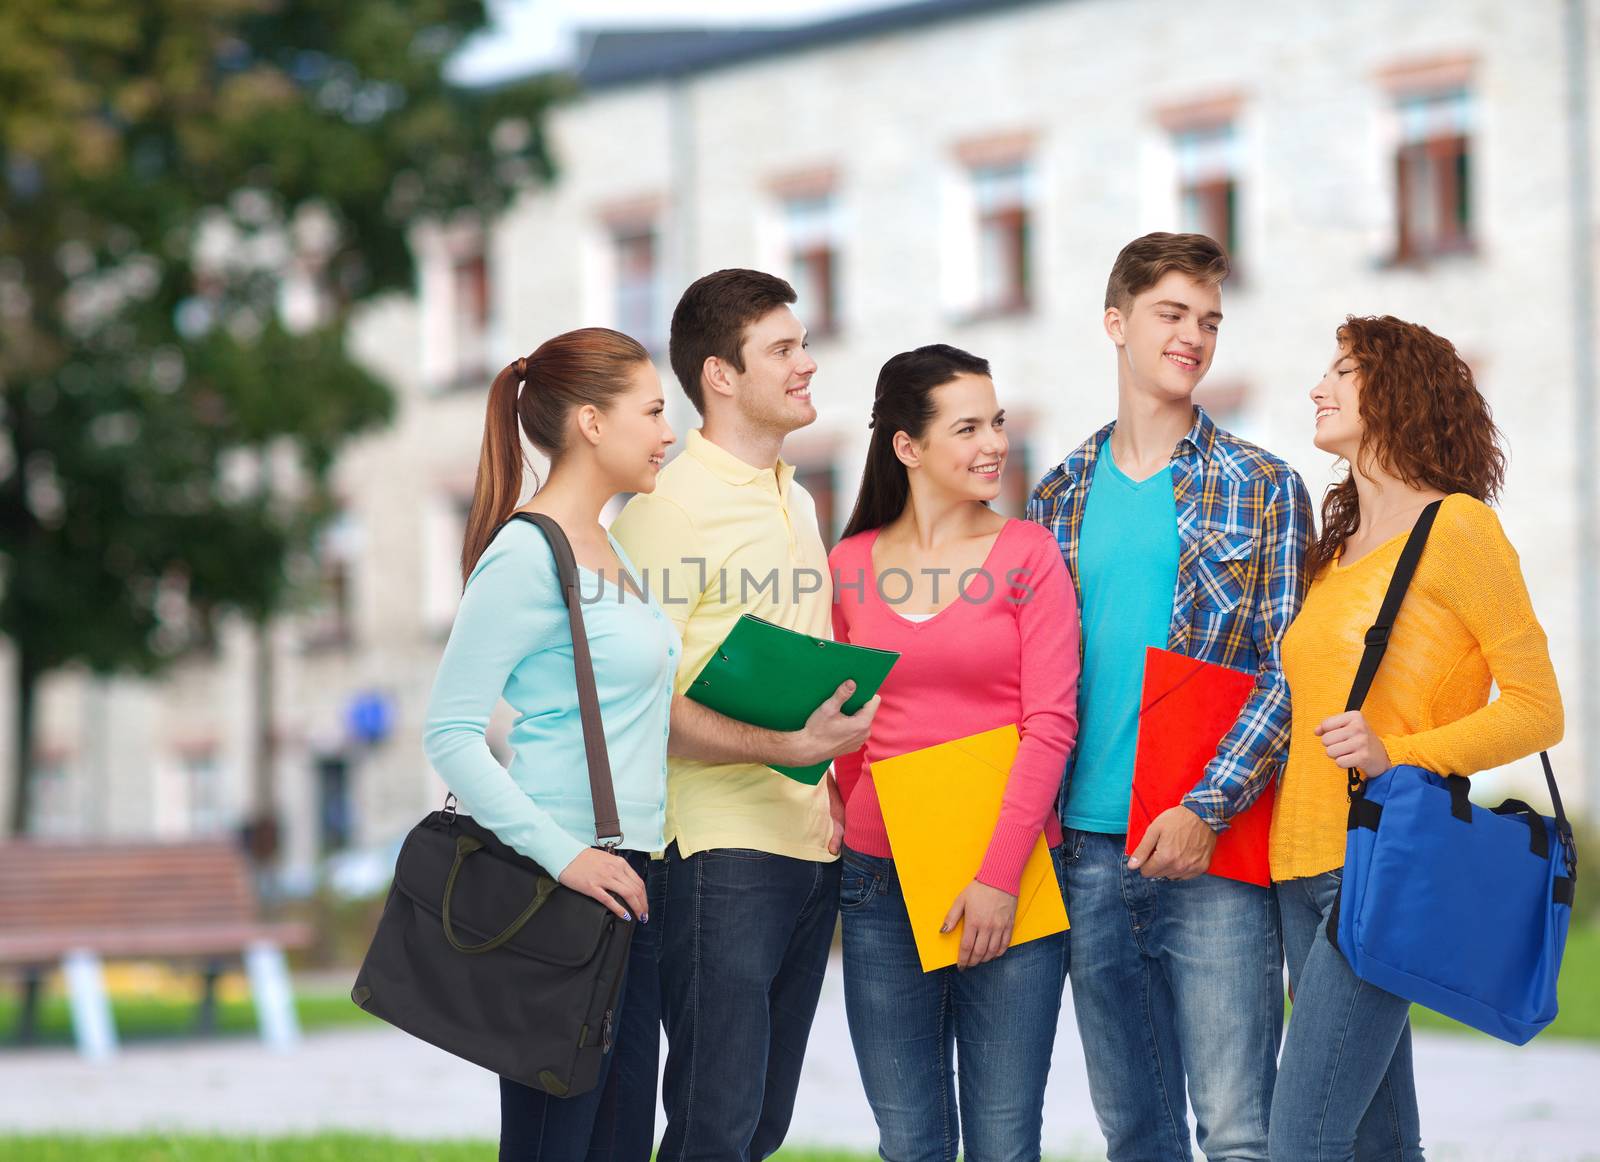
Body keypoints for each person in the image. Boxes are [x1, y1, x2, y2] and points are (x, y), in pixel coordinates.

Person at [1028, 232, 1312, 1161]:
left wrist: (1206, 805)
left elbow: (1289, 670)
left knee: (1239, 1135)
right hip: (1089, 853)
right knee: (1134, 1136)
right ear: (1116, 323)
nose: (1194, 336)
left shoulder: (1263, 486)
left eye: (1210, 321)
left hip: (1215, 853)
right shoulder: (1057, 495)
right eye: (1172, 314)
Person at [1268, 315, 1564, 1160]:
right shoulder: (1333, 553)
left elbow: (1540, 709)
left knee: (1301, 1143)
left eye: (1342, 373)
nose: (1318, 389)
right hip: (1298, 869)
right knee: (1379, 1145)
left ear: (1397, 391)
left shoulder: (1459, 530)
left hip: (1384, 865)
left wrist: (1401, 755)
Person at [609, 269, 878, 1162]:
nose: (807, 363)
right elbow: (636, 704)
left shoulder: (795, 497)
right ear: (721, 375)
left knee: (759, 1125)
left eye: (801, 344)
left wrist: (824, 774)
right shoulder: (665, 508)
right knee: (714, 1126)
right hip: (716, 854)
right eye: (783, 349)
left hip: (806, 842)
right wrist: (787, 744)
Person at [421, 328, 679, 1161]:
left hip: (632, 880)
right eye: (652, 411)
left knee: (615, 1146)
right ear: (593, 425)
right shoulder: (526, 555)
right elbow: (451, 734)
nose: (666, 432)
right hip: (562, 887)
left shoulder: (607, 546)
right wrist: (567, 858)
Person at [828, 344, 1078, 1161]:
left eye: (997, 422)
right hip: (880, 880)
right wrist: (836, 804)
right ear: (908, 447)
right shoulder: (849, 566)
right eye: (967, 427)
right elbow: (840, 729)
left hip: (1009, 875)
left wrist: (998, 876)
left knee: (1005, 1143)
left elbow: (1051, 725)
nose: (994, 444)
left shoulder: (1029, 555)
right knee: (909, 1142)